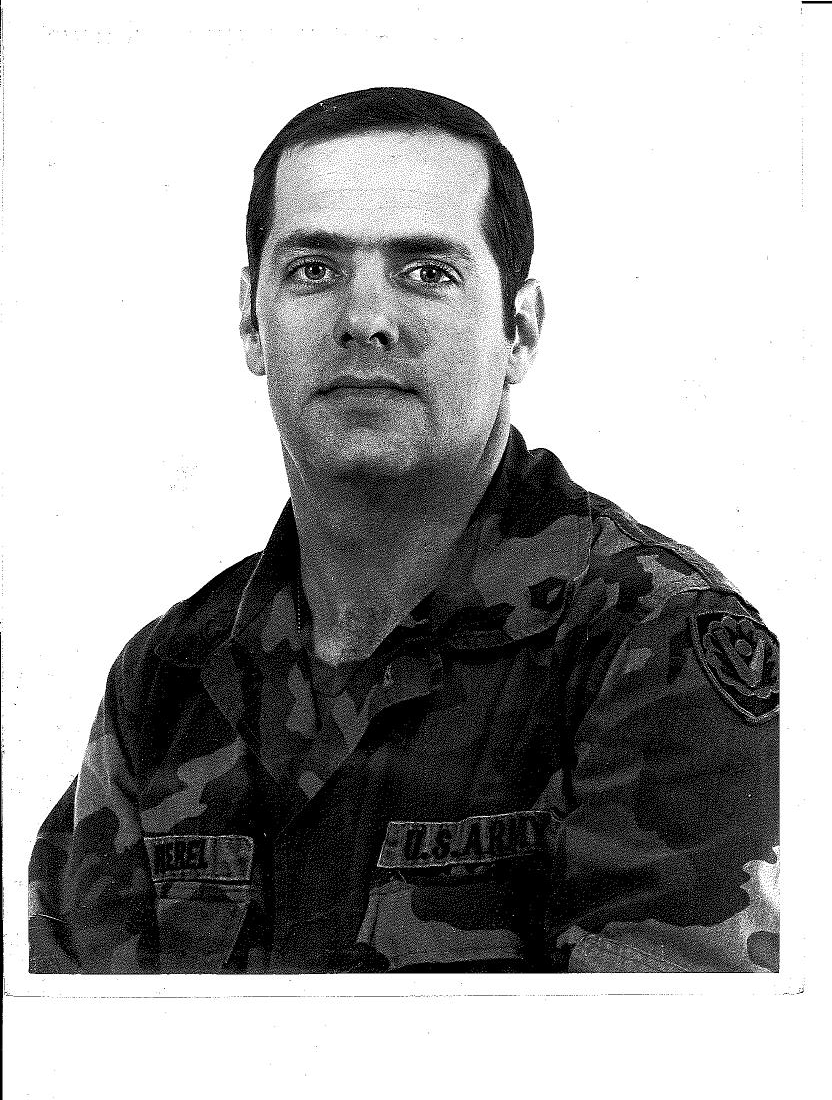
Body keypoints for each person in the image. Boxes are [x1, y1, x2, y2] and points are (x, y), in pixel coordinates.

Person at [29, 87, 779, 975]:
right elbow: (67, 1038)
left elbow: (680, 1049)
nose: (365, 320)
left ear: (520, 330)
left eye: (427, 271)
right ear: (251, 321)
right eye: (314, 269)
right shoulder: (168, 681)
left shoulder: (650, 644)